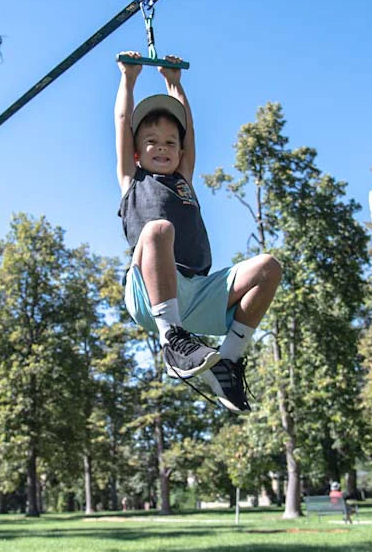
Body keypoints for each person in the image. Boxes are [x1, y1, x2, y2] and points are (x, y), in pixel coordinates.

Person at [114, 51, 282, 413]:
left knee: (268, 266)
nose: (162, 146)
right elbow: (123, 121)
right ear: (136, 152)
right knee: (159, 230)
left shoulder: (184, 179)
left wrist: (174, 84)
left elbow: (188, 130)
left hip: (197, 292)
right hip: (148, 292)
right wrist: (129, 79)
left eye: (170, 142)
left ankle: (229, 360)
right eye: (151, 141)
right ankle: (171, 338)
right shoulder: (132, 179)